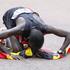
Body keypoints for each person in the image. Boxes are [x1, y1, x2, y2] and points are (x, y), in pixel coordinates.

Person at [0, 7, 70, 59]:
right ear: (27, 38)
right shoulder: (21, 29)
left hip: (27, 12)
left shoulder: (45, 28)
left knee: (28, 49)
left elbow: (68, 34)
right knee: (17, 49)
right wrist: (7, 53)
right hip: (10, 15)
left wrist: (62, 50)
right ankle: (4, 31)